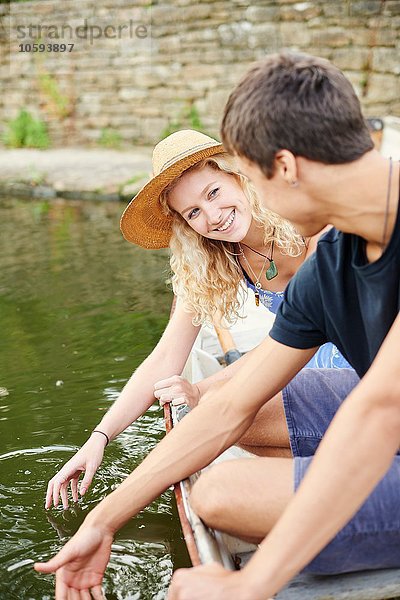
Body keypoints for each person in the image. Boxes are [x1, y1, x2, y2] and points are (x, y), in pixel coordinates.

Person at [37, 78, 392, 596]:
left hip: (365, 385)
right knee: (231, 442)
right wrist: (103, 511)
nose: (212, 217)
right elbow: (221, 398)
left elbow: (381, 409)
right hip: (351, 381)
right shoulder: (325, 265)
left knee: (228, 479)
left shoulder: (333, 242)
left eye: (221, 189)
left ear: (268, 171)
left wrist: (250, 585)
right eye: (193, 213)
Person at [45, 129, 352, 510]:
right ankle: (338, 476)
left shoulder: (308, 224)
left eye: (213, 193)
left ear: (238, 176)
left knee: (222, 410)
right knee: (232, 422)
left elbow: (289, 339)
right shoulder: (214, 259)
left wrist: (203, 391)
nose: (212, 217)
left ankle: (346, 478)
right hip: (307, 362)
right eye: (193, 212)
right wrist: (99, 438)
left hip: (365, 358)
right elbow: (164, 359)